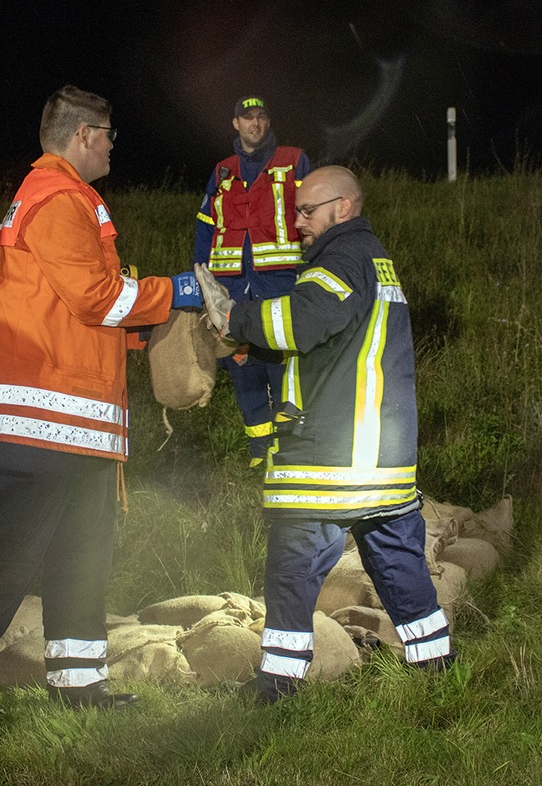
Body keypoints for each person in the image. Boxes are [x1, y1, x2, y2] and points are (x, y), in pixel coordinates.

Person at [0, 85, 203, 726]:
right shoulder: (59, 199)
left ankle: (79, 685)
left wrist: (143, 326)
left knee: (84, 552)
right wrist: (174, 292)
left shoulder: (59, 197)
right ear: (81, 136)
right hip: (39, 420)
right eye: (107, 134)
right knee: (7, 555)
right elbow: (95, 296)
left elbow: (77, 310)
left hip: (71, 422)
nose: (112, 144)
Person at [195, 165, 454, 703]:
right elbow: (328, 342)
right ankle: (437, 668)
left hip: (332, 452)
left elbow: (304, 322)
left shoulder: (341, 257)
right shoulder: (372, 260)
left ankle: (278, 685)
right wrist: (256, 346)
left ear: (343, 207)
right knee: (397, 559)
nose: (296, 223)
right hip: (381, 452)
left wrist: (236, 318)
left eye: (306, 211)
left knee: (293, 564)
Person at [194, 96, 312, 466]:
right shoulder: (222, 171)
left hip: (281, 285)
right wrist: (201, 280)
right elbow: (205, 228)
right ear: (236, 124)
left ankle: (289, 453)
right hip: (232, 292)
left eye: (261, 117)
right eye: (248, 118)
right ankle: (260, 456)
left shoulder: (294, 160)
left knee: (283, 370)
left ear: (268, 121)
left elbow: (315, 213)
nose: (255, 124)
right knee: (242, 370)